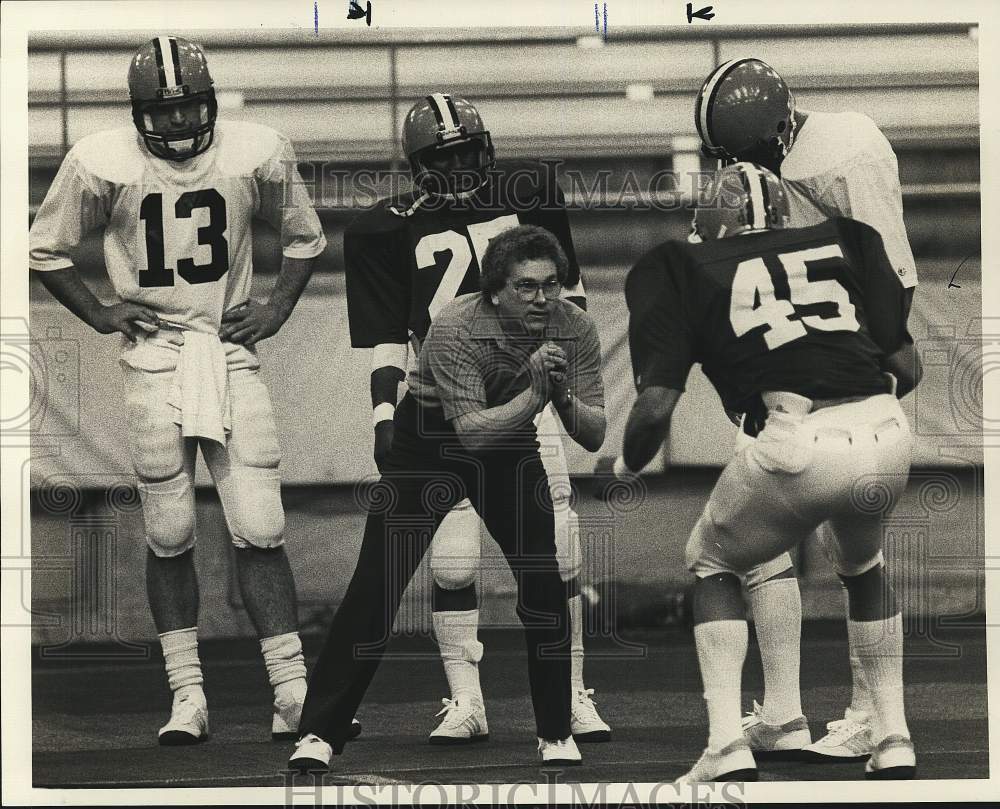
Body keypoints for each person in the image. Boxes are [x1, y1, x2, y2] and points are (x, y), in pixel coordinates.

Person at [27, 35, 348, 746]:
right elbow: (43, 248)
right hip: (155, 353)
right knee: (169, 532)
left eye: (189, 108)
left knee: (260, 524)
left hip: (227, 352)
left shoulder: (256, 150)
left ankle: (292, 692)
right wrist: (100, 313)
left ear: (210, 103)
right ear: (138, 113)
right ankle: (187, 693)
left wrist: (275, 310)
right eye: (163, 111)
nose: (177, 122)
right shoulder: (100, 160)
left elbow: (305, 237)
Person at [603, 162, 920, 782]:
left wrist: (624, 465)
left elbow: (656, 406)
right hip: (887, 431)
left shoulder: (680, 264)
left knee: (712, 562)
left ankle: (725, 745)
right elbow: (907, 368)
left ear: (709, 225)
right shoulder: (846, 237)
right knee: (864, 568)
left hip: (797, 439)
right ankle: (893, 737)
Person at [342, 93, 610, 744]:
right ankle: (465, 697)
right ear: (417, 168)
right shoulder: (390, 226)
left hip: (523, 392)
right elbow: (389, 336)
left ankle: (571, 693)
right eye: (444, 159)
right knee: (452, 561)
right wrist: (383, 414)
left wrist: (564, 382)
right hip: (443, 402)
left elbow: (568, 298)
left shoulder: (529, 195)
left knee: (558, 547)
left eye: (467, 154)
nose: (459, 168)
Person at [289, 224, 607, 771]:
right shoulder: (458, 324)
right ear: (495, 291)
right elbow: (472, 435)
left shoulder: (574, 325)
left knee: (544, 578)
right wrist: (537, 393)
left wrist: (560, 394)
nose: (542, 298)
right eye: (526, 286)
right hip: (430, 442)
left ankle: (556, 731)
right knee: (377, 585)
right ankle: (319, 731)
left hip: (511, 443)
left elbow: (594, 433)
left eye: (551, 284)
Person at [692, 57, 919, 761]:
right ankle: (788, 714)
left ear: (781, 129)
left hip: (832, 371)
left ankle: (865, 712)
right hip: (797, 374)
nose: (740, 168)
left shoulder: (847, 151)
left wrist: (854, 367)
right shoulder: (770, 168)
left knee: (829, 553)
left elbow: (893, 279)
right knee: (786, 549)